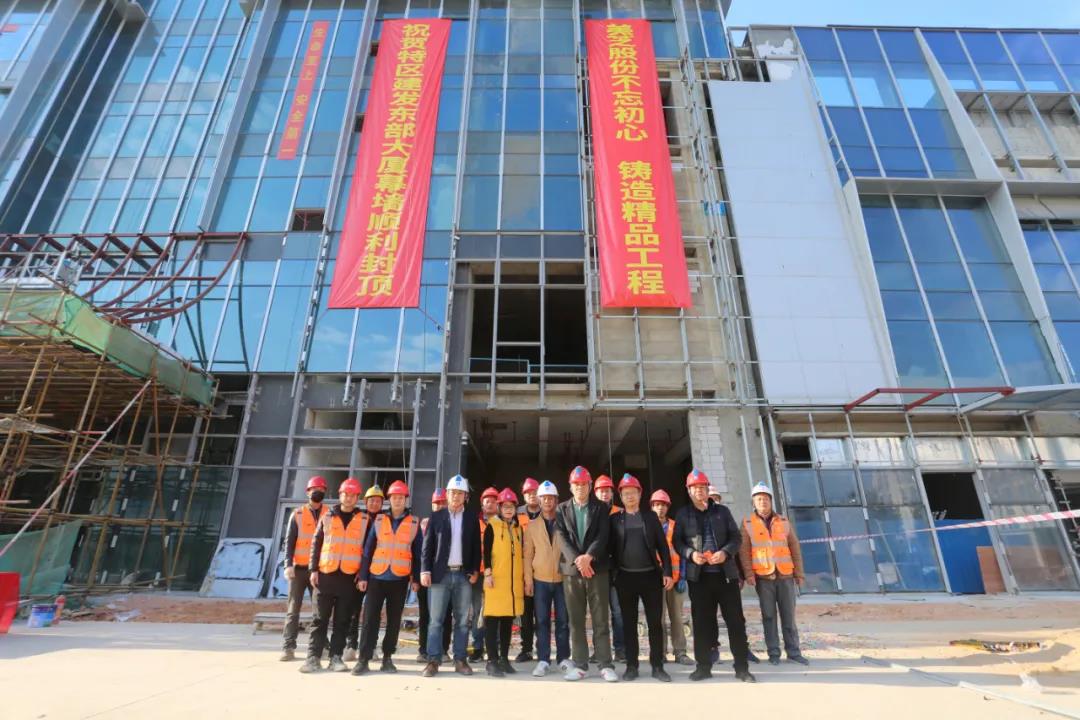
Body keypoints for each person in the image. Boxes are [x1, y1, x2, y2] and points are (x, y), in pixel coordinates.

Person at [673, 468, 756, 683]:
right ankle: (703, 667)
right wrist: (691, 554)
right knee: (702, 624)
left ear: (708, 489)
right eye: (695, 488)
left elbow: (736, 538)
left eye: (702, 487)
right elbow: (677, 542)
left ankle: (741, 668)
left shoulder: (722, 512)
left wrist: (725, 553)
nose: (699, 491)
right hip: (699, 578)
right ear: (689, 490)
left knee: (735, 621)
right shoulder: (683, 514)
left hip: (726, 576)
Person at [608, 474, 673, 682]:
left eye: (633, 493)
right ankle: (632, 666)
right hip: (625, 578)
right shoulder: (615, 519)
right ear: (620, 496)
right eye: (625, 493)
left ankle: (657, 665)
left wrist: (667, 572)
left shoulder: (650, 518)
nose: (629, 496)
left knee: (655, 623)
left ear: (639, 494)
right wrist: (613, 575)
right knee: (629, 624)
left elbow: (663, 547)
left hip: (650, 577)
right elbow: (609, 549)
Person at [301, 477, 369, 673]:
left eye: (353, 495)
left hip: (349, 577)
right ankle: (313, 657)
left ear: (358, 497)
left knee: (342, 620)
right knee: (319, 619)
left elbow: (367, 550)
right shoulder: (327, 516)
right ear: (340, 495)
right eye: (345, 494)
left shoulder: (365, 520)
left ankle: (336, 657)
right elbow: (316, 544)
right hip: (325, 575)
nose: (349, 498)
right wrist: (313, 569)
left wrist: (362, 574)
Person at [353, 480, 421, 675]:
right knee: (369, 619)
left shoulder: (414, 523)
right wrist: (363, 576)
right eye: (394, 497)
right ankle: (364, 659)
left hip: (399, 579)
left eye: (401, 497)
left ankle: (387, 658)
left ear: (406, 500)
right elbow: (368, 550)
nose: (398, 500)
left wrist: (416, 579)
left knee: (394, 620)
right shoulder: (379, 520)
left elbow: (418, 554)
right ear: (389, 500)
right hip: (376, 576)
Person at [555, 466, 617, 682]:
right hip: (572, 572)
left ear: (590, 486)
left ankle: (605, 664)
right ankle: (580, 665)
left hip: (597, 569)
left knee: (601, 619)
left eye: (584, 484)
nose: (580, 488)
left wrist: (588, 557)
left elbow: (603, 535)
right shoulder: (562, 509)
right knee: (576, 620)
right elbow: (561, 536)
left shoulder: (600, 507)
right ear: (570, 487)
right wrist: (578, 560)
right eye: (576, 484)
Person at [739, 482, 808, 666]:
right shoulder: (747, 523)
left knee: (789, 616)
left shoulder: (783, 522)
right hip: (764, 578)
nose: (763, 502)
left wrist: (799, 573)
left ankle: (793, 652)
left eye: (766, 499)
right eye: (759, 499)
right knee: (768, 617)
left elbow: (794, 547)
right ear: (753, 502)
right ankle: (774, 653)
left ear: (771, 501)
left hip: (785, 576)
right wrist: (748, 573)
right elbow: (744, 551)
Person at [420, 475, 481, 677]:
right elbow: (427, 546)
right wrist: (425, 570)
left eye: (460, 493)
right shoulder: (436, 517)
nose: (456, 496)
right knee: (435, 621)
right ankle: (433, 661)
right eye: (453, 493)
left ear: (465, 496)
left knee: (463, 621)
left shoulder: (471, 518)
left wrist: (474, 570)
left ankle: (460, 659)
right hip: (440, 575)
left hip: (463, 575)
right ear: (447, 495)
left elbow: (476, 547)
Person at [524, 480, 571, 677]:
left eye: (551, 498)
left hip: (562, 579)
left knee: (563, 621)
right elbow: (527, 555)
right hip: (540, 580)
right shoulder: (532, 526)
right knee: (542, 620)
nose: (548, 501)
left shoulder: (565, 522)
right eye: (544, 498)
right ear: (539, 500)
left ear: (556, 500)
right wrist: (528, 580)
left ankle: (563, 658)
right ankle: (543, 659)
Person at [281, 476, 329, 662]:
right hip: (299, 570)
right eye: (314, 489)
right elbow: (289, 542)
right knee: (293, 610)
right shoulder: (298, 514)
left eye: (321, 489)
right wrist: (288, 564)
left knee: (320, 611)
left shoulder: (329, 514)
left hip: (318, 570)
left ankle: (321, 646)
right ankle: (288, 647)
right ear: (308, 492)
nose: (318, 491)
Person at [482, 488, 525, 677]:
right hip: (495, 581)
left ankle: (504, 659)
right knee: (492, 621)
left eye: (511, 506)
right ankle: (491, 661)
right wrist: (488, 574)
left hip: (512, 584)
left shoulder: (518, 528)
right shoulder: (491, 526)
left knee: (507, 621)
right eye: (505, 506)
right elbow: (486, 552)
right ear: (499, 508)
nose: (508, 509)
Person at [649, 489, 694, 666]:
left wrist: (682, 576)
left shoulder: (676, 526)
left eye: (663, 505)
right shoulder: (646, 526)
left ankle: (680, 652)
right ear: (652, 506)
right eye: (657, 505)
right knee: (658, 618)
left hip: (675, 579)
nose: (660, 508)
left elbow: (682, 551)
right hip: (654, 580)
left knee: (676, 617)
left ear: (668, 507)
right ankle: (660, 653)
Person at [344, 485, 384, 662]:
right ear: (365, 502)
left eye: (378, 501)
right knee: (354, 610)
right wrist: (359, 571)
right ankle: (351, 645)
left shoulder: (385, 520)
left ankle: (371, 646)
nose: (374, 503)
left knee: (373, 612)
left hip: (377, 571)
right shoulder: (358, 519)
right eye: (371, 500)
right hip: (357, 571)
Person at [592, 474, 625, 663]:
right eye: (601, 491)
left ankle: (620, 649)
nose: (604, 494)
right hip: (597, 570)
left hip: (616, 570)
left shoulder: (620, 513)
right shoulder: (591, 512)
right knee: (599, 614)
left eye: (607, 491)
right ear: (595, 492)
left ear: (612, 493)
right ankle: (600, 651)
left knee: (618, 612)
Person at [417, 487, 452, 664]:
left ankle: (443, 650)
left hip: (444, 576)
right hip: (424, 577)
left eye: (443, 502)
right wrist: (416, 577)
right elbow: (416, 552)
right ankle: (424, 650)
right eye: (436, 503)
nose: (439, 506)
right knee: (425, 615)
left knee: (445, 614)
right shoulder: (422, 524)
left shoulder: (452, 523)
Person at [468, 486, 499, 662]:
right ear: (482, 504)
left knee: (497, 612)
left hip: (498, 575)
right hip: (479, 575)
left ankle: (494, 648)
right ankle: (478, 647)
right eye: (487, 501)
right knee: (478, 612)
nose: (491, 504)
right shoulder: (474, 523)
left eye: (494, 501)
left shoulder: (503, 523)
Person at [515, 477, 542, 662]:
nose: (532, 495)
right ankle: (526, 649)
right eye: (528, 493)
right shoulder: (516, 515)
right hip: (522, 571)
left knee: (542, 613)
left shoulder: (548, 512)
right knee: (525, 613)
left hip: (543, 570)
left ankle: (543, 648)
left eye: (535, 492)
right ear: (523, 495)